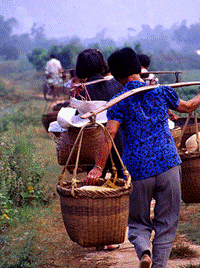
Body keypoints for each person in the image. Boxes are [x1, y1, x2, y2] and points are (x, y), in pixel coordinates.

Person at [87, 47, 200, 268]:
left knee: (137, 221)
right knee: (166, 222)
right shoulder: (161, 92)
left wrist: (98, 167)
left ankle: (144, 251)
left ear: (117, 77)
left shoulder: (119, 100)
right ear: (138, 68)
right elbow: (188, 107)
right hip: (168, 164)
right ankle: (159, 265)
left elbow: (110, 134)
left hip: (139, 170)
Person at [74, 48, 125, 251]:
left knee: (96, 186)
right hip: (118, 140)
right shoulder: (115, 84)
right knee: (118, 182)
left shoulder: (83, 90)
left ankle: (101, 235)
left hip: (95, 144)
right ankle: (116, 230)